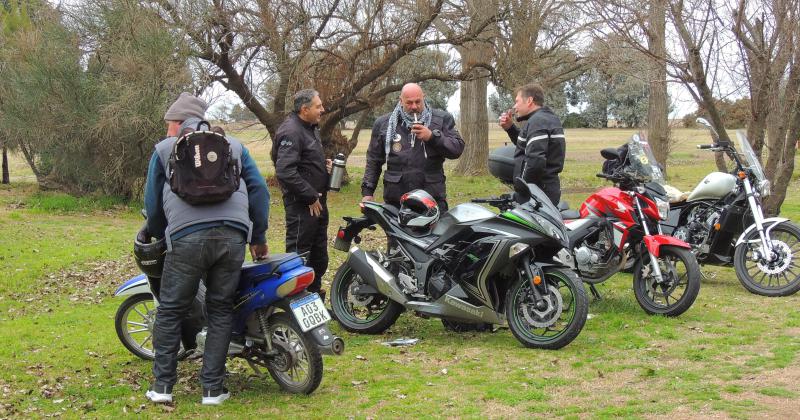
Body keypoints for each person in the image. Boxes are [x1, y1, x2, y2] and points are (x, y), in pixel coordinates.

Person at [143, 92, 270, 406]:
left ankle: (162, 388)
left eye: (168, 124)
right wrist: (258, 235)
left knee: (171, 310)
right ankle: (213, 390)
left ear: (176, 124)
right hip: (233, 236)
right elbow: (259, 189)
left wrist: (161, 236)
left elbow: (152, 204)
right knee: (220, 310)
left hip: (186, 239)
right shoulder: (235, 146)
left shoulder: (163, 149)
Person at [362, 83, 464, 210]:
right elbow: (374, 160)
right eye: (409, 103)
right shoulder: (384, 124)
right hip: (396, 201)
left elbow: (456, 149)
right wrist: (367, 192)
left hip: (432, 198)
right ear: (401, 101)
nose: (414, 106)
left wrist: (432, 137)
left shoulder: (441, 119)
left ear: (424, 97)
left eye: (418, 101)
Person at [272, 89, 332, 300]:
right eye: (318, 106)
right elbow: (285, 171)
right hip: (302, 206)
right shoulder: (291, 131)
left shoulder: (310, 128)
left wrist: (322, 166)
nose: (322, 110)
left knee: (319, 257)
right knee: (299, 257)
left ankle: (314, 299)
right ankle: (296, 303)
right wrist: (309, 195)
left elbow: (302, 162)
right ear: (304, 109)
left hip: (318, 204)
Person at [498, 83, 566, 205]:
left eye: (517, 101)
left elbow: (535, 162)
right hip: (546, 189)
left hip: (537, 193)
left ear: (529, 100)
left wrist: (523, 189)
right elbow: (525, 145)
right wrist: (510, 128)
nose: (515, 107)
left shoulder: (538, 122)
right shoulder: (546, 118)